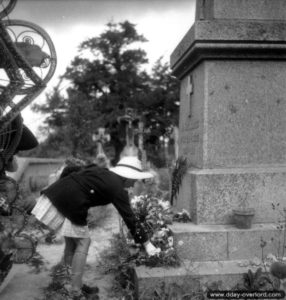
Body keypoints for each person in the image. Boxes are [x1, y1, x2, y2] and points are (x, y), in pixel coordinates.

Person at [31, 156, 160, 300]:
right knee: (83, 242)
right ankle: (75, 292)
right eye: (135, 179)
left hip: (62, 197)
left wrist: (62, 185)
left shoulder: (103, 172)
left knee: (72, 244)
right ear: (127, 176)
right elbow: (129, 218)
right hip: (73, 204)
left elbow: (70, 169)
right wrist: (147, 244)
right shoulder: (117, 187)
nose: (134, 182)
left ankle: (72, 284)